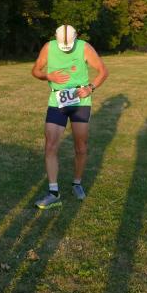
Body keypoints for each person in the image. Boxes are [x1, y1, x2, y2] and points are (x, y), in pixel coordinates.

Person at [31, 24, 108, 209]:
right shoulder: (49, 47)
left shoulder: (84, 47)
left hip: (80, 102)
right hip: (57, 101)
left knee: (81, 147)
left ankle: (77, 183)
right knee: (50, 145)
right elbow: (35, 70)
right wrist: (48, 76)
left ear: (75, 38)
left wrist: (90, 88)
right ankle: (53, 192)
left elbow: (103, 71)